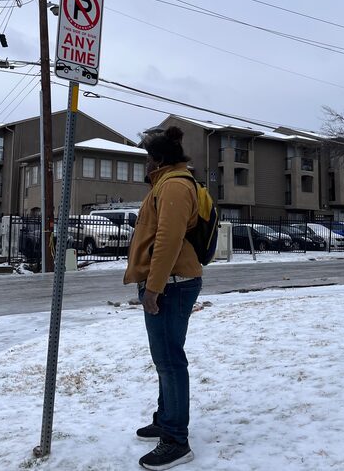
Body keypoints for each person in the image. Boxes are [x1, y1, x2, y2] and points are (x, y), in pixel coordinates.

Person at [124, 126, 202, 470]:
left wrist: (153, 287)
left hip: (171, 284)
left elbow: (168, 239)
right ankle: (166, 418)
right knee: (165, 359)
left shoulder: (173, 186)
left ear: (157, 159)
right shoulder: (168, 183)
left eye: (146, 157)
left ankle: (176, 439)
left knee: (170, 361)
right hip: (169, 282)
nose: (145, 164)